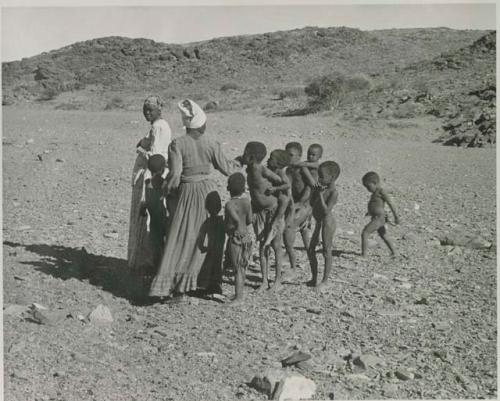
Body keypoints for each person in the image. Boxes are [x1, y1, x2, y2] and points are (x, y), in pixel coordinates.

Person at [149, 99, 241, 301]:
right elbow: (227, 168)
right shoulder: (211, 143)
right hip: (208, 194)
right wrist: (241, 162)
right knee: (208, 240)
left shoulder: (178, 144)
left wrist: (164, 190)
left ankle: (178, 289)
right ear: (201, 124)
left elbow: (175, 175)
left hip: (188, 194)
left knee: (182, 238)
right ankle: (208, 282)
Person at [128, 96, 171, 282]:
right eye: (145, 109)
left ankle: (147, 262)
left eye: (150, 110)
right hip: (151, 173)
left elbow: (156, 156)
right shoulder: (157, 126)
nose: (147, 113)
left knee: (147, 219)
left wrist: (141, 151)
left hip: (152, 175)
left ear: (159, 110)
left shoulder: (159, 127)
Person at [240, 142, 286, 291]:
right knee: (262, 246)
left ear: (252, 156)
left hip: (272, 211)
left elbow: (284, 184)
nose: (243, 155)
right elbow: (240, 159)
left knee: (276, 246)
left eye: (245, 153)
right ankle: (264, 280)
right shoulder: (250, 168)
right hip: (259, 211)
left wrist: (275, 189)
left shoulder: (261, 169)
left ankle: (278, 280)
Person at [308, 161, 340, 291]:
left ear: (331, 178)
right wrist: (314, 192)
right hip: (319, 222)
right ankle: (314, 278)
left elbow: (326, 210)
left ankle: (325, 281)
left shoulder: (333, 192)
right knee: (311, 250)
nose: (319, 179)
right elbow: (311, 203)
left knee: (327, 251)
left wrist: (320, 195)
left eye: (322, 176)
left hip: (327, 222)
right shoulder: (322, 188)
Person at [283, 142, 314, 274]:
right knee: (303, 233)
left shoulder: (303, 169)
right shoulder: (289, 169)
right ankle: (293, 257)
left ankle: (293, 267)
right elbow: (288, 187)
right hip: (294, 203)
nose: (288, 157)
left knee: (290, 227)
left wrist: (301, 203)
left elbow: (311, 186)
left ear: (299, 156)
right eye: (286, 154)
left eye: (291, 155)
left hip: (305, 204)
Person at [224, 173, 253, 303]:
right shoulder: (246, 202)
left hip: (235, 237)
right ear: (243, 188)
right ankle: (239, 293)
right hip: (247, 237)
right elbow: (250, 220)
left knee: (237, 269)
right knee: (243, 266)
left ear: (228, 188)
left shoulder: (229, 205)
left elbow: (233, 222)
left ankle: (239, 297)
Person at [361, 171, 400, 257]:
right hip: (377, 217)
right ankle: (394, 252)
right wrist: (370, 211)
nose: (367, 189)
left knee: (365, 233)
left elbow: (390, 203)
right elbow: (375, 204)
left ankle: (363, 255)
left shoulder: (381, 191)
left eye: (368, 186)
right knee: (384, 235)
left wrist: (396, 216)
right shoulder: (375, 193)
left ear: (374, 183)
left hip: (379, 217)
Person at [196, 191, 225, 295]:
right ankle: (216, 287)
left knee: (208, 267)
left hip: (211, 248)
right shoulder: (222, 221)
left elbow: (201, 236)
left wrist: (201, 247)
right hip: (220, 249)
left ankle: (206, 286)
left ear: (206, 207)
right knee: (217, 267)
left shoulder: (208, 221)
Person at [143, 154, 168, 273]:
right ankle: (162, 267)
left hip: (153, 217)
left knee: (155, 243)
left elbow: (145, 202)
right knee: (163, 243)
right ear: (163, 169)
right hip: (162, 216)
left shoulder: (147, 183)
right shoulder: (163, 183)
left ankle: (155, 266)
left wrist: (143, 211)